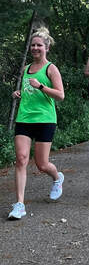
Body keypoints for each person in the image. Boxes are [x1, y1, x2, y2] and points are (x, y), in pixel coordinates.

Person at [8, 27, 65, 220]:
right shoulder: (26, 69)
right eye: (33, 45)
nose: (35, 48)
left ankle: (57, 178)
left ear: (46, 47)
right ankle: (19, 204)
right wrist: (19, 94)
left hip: (45, 119)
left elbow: (60, 95)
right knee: (22, 159)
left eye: (39, 45)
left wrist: (41, 86)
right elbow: (28, 91)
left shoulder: (51, 68)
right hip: (24, 118)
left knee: (41, 164)